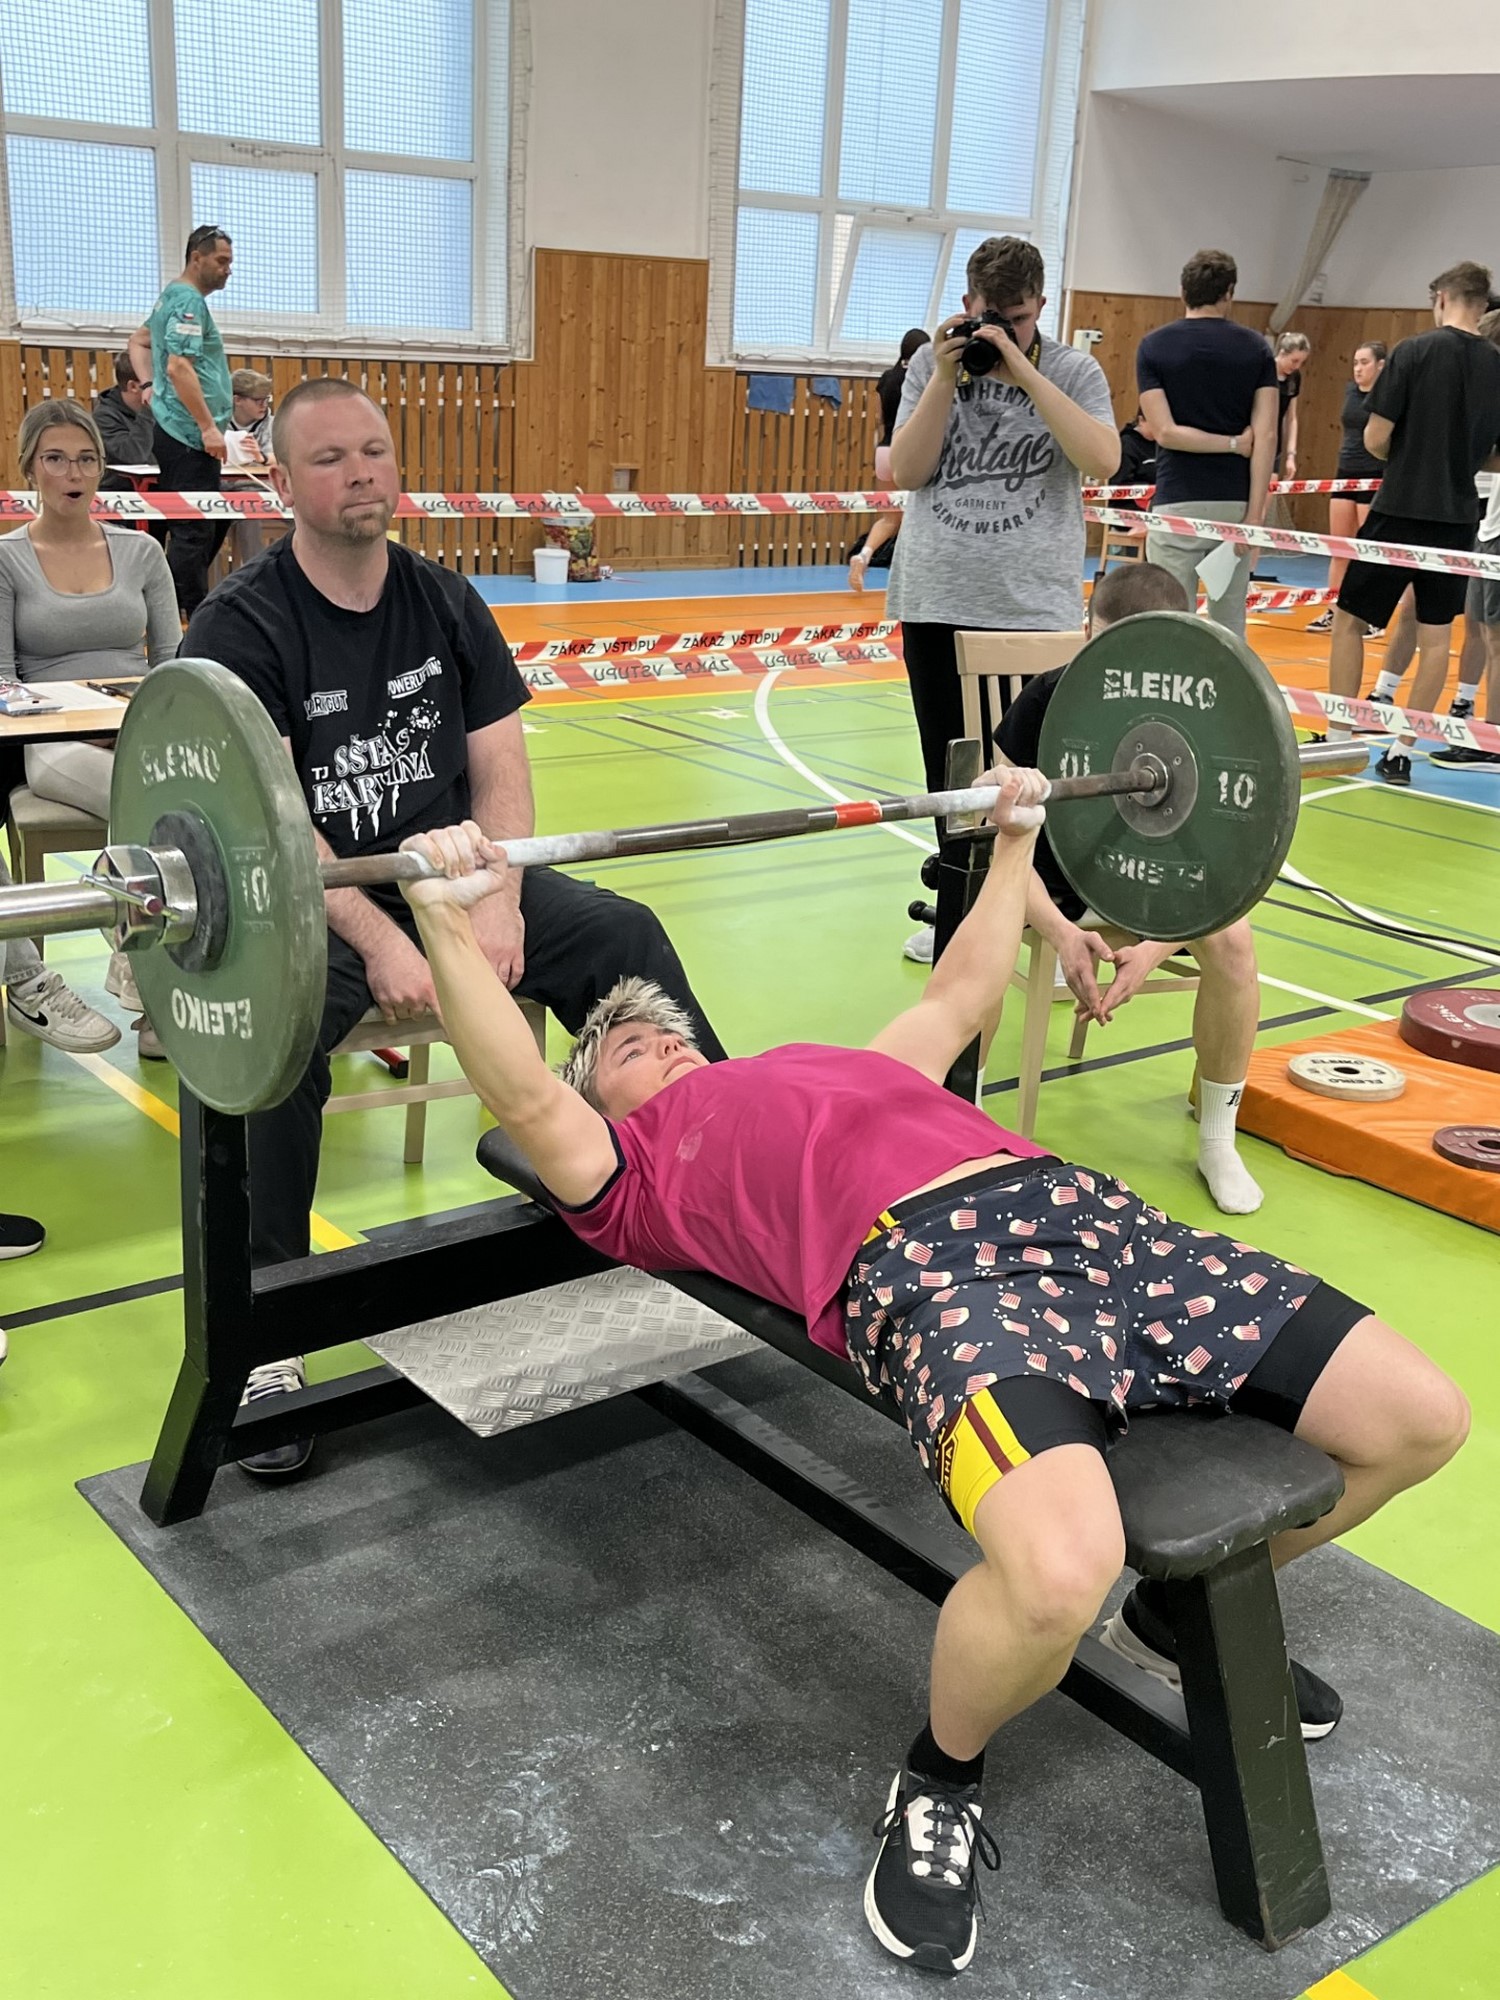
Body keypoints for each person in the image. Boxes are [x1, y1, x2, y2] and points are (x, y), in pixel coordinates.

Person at [394, 796, 1469, 1980]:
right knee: (1056, 1575)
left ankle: (1168, 1622)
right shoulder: (631, 1179)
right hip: (937, 1269)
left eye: (670, 1031)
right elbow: (522, 1094)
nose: (664, 1041)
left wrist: (1014, 838)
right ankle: (938, 1777)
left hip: (1094, 1219)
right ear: (603, 1103)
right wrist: (442, 914)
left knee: (1421, 1419)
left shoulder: (835, 1067)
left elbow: (960, 993)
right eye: (628, 1050)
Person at [182, 376, 726, 1474]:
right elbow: (277, 826)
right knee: (277, 1037)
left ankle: (709, 1193)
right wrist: (387, 941)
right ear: (280, 482)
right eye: (331, 458)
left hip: (465, 879)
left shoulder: (445, 600)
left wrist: (502, 900)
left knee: (622, 935)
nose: (362, 474)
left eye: (375, 451)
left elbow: (501, 769)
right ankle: (269, 1324)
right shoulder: (241, 624)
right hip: (322, 897)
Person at [995, 561, 1263, 1213]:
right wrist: (1060, 934)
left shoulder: (1211, 711)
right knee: (979, 922)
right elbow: (1000, 843)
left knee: (1233, 942)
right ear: (1089, 631)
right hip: (1054, 887)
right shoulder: (1048, 698)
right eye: (1110, 643)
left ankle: (1217, 1140)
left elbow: (1231, 865)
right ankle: (965, 1113)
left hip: (1163, 892)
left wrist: (1156, 944)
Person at [885, 236, 1118, 963]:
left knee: (1034, 779)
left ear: (1041, 307)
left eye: (1017, 319)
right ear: (967, 305)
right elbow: (907, 472)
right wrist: (942, 378)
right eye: (992, 317)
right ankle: (959, 920)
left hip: (1032, 610)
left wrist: (1024, 369)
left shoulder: (1073, 370)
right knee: (954, 780)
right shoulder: (931, 365)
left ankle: (1043, 920)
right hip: (937, 601)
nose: (1002, 331)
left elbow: (1103, 460)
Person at [0, 401, 179, 1055]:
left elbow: (172, 663)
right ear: (29, 468)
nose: (73, 473)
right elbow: (2, 682)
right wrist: (79, 716)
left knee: (181, 802)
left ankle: (159, 984)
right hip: (51, 742)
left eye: (86, 459)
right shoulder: (7, 559)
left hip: (139, 732)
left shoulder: (142, 551)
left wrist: (141, 723)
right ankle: (149, 989)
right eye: (55, 459)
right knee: (155, 805)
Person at [1326, 262, 1500, 787]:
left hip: (1398, 508)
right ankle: (1401, 752)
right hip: (1457, 517)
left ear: (1442, 297)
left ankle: (1337, 738)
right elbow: (1495, 458)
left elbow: (1376, 438)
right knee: (1436, 639)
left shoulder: (1413, 351)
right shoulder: (1496, 364)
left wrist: (1410, 456)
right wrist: (1457, 460)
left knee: (1349, 621)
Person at [1134, 250, 1278, 638]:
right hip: (1234, 503)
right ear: (1229, 292)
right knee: (1228, 626)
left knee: (1169, 622)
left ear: (1183, 291)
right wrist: (1255, 515)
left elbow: (1165, 432)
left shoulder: (1153, 347)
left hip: (1177, 503)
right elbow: (1266, 436)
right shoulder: (1256, 348)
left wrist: (1232, 444)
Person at [127, 224, 236, 618]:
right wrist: (207, 426)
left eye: (230, 262)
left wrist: (147, 384)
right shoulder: (188, 302)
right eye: (221, 260)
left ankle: (179, 612)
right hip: (188, 435)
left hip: (178, 432)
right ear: (196, 257)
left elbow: (139, 341)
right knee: (194, 530)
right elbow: (178, 367)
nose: (228, 270)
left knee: (206, 521)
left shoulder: (169, 297)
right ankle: (186, 620)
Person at [1308, 341, 1387, 634]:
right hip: (1345, 472)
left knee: (1368, 550)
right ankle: (1333, 610)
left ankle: (1372, 617)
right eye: (1355, 362)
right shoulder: (1350, 391)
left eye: (1364, 362)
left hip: (1374, 474)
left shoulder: (1387, 396)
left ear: (1381, 365)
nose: (1358, 368)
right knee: (1339, 547)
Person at [849, 329, 930, 593]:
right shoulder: (924, 378)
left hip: (884, 450)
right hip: (910, 450)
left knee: (889, 518)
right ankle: (913, 574)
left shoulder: (887, 378)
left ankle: (864, 555)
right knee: (919, 514)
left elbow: (878, 418)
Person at [224, 368, 276, 566]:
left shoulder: (272, 424)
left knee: (300, 511)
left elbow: (283, 456)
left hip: (264, 488)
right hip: (227, 489)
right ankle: (254, 571)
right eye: (257, 400)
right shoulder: (217, 423)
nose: (264, 405)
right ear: (237, 400)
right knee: (248, 509)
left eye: (266, 399)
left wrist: (261, 457)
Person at [92, 353, 155, 487]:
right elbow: (135, 456)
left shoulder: (164, 412)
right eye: (155, 383)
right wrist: (148, 410)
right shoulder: (104, 417)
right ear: (133, 386)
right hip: (120, 494)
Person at [1272, 331, 1311, 479]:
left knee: (1270, 486)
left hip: (1275, 441)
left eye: (1301, 362)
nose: (1297, 366)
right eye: (1294, 361)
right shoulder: (1265, 370)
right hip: (1255, 438)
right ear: (1282, 353)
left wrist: (1290, 455)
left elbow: (1291, 418)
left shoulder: (1294, 377)